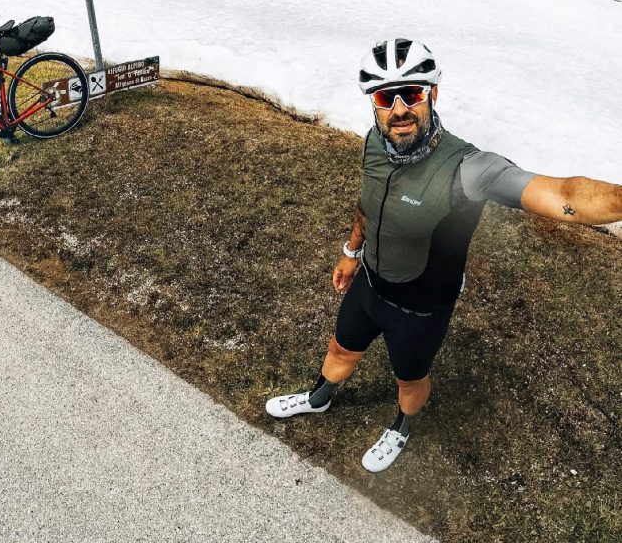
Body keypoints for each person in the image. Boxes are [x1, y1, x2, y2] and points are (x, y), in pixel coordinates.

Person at [265, 38, 622, 472]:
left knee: (409, 381)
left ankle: (401, 426)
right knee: (340, 350)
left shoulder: (470, 169)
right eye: (384, 97)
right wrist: (350, 252)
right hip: (369, 285)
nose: (399, 109)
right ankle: (319, 397)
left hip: (421, 310)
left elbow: (564, 195)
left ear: (432, 93)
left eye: (412, 94)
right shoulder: (374, 145)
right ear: (373, 105)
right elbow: (367, 203)